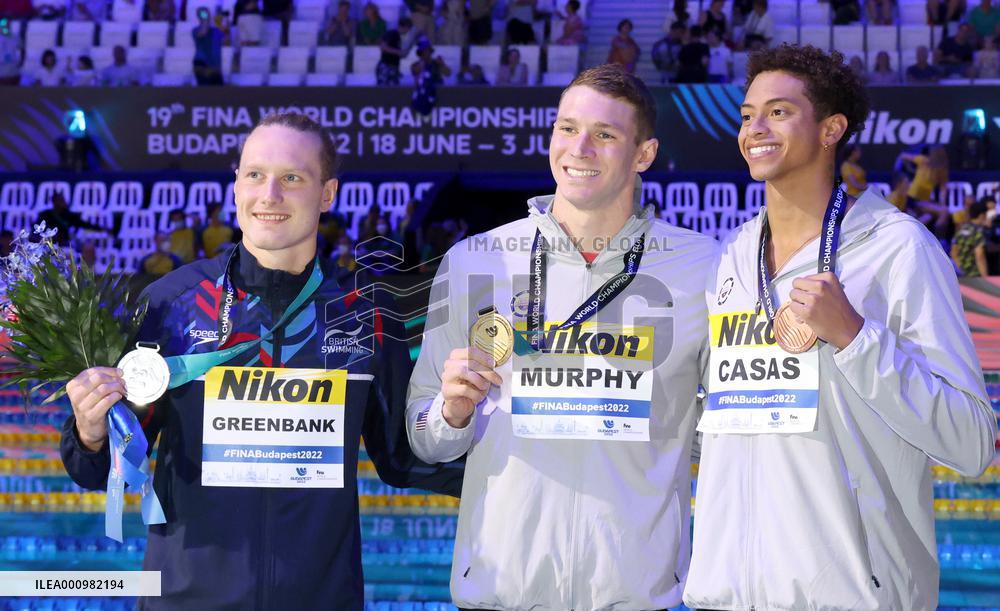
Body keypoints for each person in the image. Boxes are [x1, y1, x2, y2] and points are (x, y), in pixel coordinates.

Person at [60, 112, 463, 609]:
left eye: (292, 178)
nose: (269, 194)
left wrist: (501, 456)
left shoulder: (366, 314)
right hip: (186, 600)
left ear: (328, 194)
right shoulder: (171, 303)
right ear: (236, 187)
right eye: (255, 175)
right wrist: (90, 432)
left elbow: (403, 457)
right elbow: (107, 463)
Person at [684, 44, 996, 611]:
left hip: (852, 595)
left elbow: (972, 443)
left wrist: (856, 337)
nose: (756, 127)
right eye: (748, 115)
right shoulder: (729, 256)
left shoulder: (899, 249)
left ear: (831, 129)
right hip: (727, 595)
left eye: (779, 112)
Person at [406, 63, 718, 610]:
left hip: (634, 594)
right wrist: (451, 413)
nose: (580, 148)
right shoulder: (474, 260)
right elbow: (423, 432)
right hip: (502, 591)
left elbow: (718, 437)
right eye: (567, 128)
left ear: (643, 155)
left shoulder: (703, 268)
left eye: (605, 135)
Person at [35, 191, 106, 246]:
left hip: (64, 245)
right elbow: (36, 231)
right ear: (54, 202)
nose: (64, 203)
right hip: (47, 244)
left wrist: (102, 229)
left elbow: (84, 224)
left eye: (63, 200)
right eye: (60, 201)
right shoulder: (45, 215)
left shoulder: (69, 215)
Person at [952, 198, 992, 277]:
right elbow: (980, 255)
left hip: (963, 277)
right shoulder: (978, 232)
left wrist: (963, 271)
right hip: (977, 276)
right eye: (986, 215)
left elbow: (953, 253)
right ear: (981, 215)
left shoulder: (961, 230)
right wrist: (986, 278)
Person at [376, 17, 413, 85]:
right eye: (408, 28)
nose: (408, 31)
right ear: (404, 26)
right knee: (383, 89)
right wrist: (398, 52)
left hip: (393, 67)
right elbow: (383, 46)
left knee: (393, 90)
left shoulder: (398, 37)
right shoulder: (393, 34)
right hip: (386, 66)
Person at [192, 7, 225, 85]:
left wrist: (220, 22)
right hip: (202, 64)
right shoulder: (195, 30)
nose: (206, 15)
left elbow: (225, 42)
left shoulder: (215, 31)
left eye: (207, 14)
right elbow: (203, 32)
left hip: (215, 66)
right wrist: (205, 18)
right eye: (203, 14)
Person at [0, 18, 22, 86]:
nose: (5, 26)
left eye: (7, 24)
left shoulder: (15, 37)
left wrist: (21, 62)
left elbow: (22, 50)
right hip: (1, 65)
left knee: (13, 86)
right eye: (3, 24)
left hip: (12, 64)